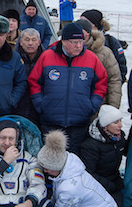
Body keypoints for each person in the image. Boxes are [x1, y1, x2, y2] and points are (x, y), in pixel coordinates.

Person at [28, 22, 108, 150]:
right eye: (74, 42)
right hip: (51, 120)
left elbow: (101, 82)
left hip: (79, 121)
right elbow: (34, 81)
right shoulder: (47, 56)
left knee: (73, 161)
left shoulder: (91, 59)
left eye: (81, 42)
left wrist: (92, 105)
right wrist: (40, 103)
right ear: (64, 41)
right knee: (50, 160)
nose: (78, 46)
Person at [79, 105, 126, 207]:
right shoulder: (90, 145)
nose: (121, 125)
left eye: (120, 121)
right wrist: (111, 186)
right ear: (105, 126)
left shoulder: (119, 137)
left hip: (115, 179)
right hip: (100, 186)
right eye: (116, 122)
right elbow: (89, 173)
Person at [76, 18, 122, 108]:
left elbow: (114, 80)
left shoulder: (104, 52)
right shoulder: (68, 50)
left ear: (88, 33)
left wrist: (112, 107)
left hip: (98, 106)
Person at [81, 9, 127, 82]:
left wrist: (114, 86)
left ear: (94, 24)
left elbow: (121, 67)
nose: (80, 24)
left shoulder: (111, 42)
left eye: (84, 21)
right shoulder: (79, 41)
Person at [13, 28, 43, 125]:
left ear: (39, 42)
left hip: (38, 111)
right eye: (27, 39)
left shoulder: (46, 60)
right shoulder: (12, 59)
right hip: (16, 109)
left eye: (33, 40)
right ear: (20, 42)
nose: (30, 43)